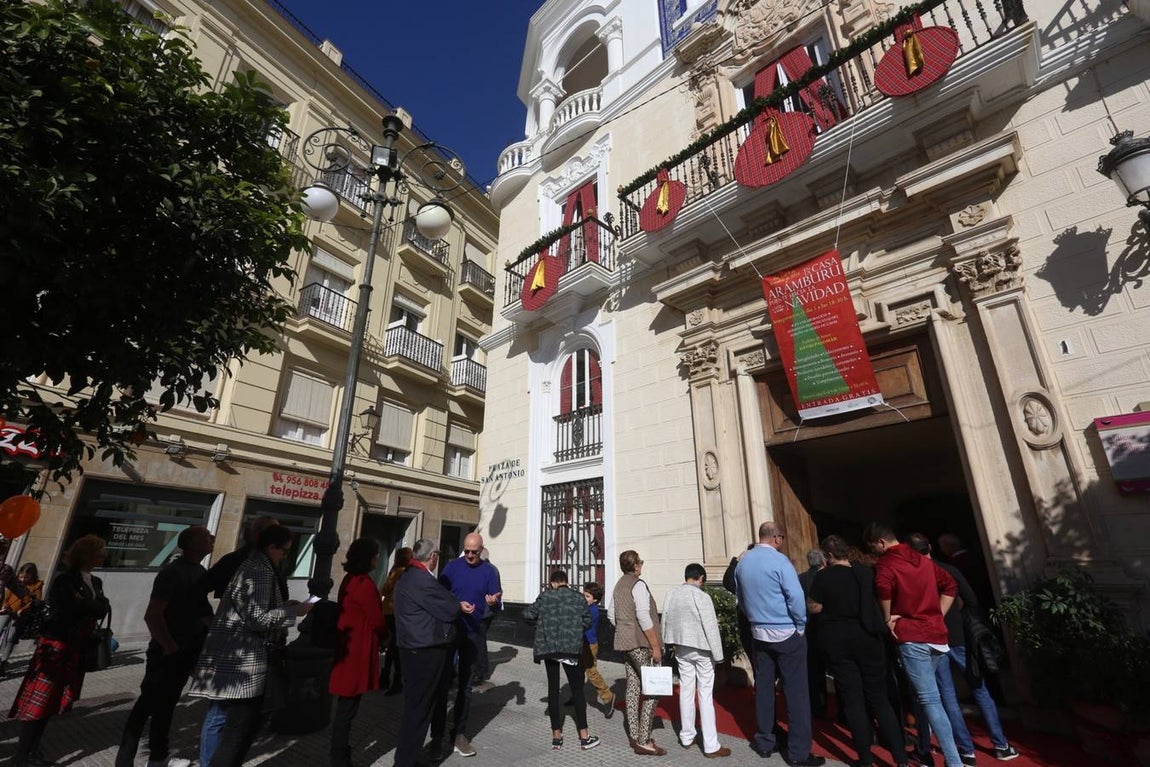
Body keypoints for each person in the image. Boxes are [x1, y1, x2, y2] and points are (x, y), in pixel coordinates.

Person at [188, 524, 311, 767]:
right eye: (284, 551)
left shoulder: (255, 565)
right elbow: (257, 618)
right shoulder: (259, 570)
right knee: (237, 732)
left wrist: (285, 606)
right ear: (271, 547)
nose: (285, 556)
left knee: (237, 726)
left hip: (240, 658)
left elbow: (256, 609)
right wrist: (295, 611)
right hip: (245, 662)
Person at [906, 534, 1018, 763]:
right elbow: (971, 599)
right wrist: (956, 614)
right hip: (957, 636)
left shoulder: (913, 576)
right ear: (930, 548)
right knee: (979, 688)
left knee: (947, 696)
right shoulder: (948, 569)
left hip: (933, 639)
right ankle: (1000, 744)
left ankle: (966, 751)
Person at [116, 526, 215, 767]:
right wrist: (169, 646)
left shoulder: (200, 572)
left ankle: (158, 757)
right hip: (167, 651)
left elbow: (202, 613)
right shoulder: (173, 573)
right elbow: (153, 614)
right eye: (206, 536)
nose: (212, 538)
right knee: (147, 703)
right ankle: (125, 759)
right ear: (191, 543)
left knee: (167, 705)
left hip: (186, 649)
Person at [865, 523, 962, 767]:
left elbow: (883, 587)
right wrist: (936, 614)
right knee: (927, 698)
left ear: (880, 542)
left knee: (930, 700)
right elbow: (950, 585)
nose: (874, 552)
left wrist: (887, 618)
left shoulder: (887, 563)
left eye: (873, 547)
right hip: (936, 636)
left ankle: (954, 761)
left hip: (914, 636)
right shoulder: (923, 560)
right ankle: (925, 749)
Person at [10, 535, 111, 767]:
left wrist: (91, 606)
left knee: (53, 700)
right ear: (88, 554)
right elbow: (71, 607)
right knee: (40, 699)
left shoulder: (95, 581)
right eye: (100, 551)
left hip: (76, 645)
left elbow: (99, 608)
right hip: (56, 645)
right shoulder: (65, 580)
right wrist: (92, 606)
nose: (104, 556)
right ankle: (21, 756)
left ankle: (33, 752)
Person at [807, 535, 907, 767]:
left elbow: (814, 606)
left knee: (853, 701)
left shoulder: (823, 577)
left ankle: (865, 758)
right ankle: (900, 758)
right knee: (880, 700)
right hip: (869, 639)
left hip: (839, 642)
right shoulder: (864, 573)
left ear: (828, 555)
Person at [735, 521, 824, 767]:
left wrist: (755, 619)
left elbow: (740, 599)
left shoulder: (743, 563)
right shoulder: (780, 562)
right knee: (796, 692)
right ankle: (798, 752)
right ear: (776, 538)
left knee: (764, 688)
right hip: (785, 631)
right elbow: (795, 597)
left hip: (758, 633)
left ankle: (765, 742)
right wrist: (800, 624)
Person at [392, 539, 466, 767]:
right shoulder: (422, 579)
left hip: (409, 647)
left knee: (415, 706)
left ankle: (406, 758)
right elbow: (451, 608)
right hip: (425, 650)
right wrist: (456, 604)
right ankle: (405, 761)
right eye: (438, 555)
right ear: (432, 556)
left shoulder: (406, 576)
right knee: (419, 709)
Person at [431, 532, 501, 758]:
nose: (470, 555)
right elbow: (439, 595)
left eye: (474, 552)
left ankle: (458, 733)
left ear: (482, 550)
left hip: (472, 634)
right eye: (467, 551)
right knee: (442, 685)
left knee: (465, 687)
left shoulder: (490, 571)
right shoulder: (452, 567)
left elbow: (496, 601)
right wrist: (456, 605)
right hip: (450, 630)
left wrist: (494, 601)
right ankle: (436, 737)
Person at [523, 570, 601, 751]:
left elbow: (527, 615)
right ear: (566, 582)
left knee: (553, 689)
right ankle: (584, 736)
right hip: (571, 649)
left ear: (552, 583)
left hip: (549, 648)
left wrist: (542, 624)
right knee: (577, 689)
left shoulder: (545, 597)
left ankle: (556, 736)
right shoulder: (578, 598)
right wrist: (573, 628)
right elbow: (587, 621)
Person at [661, 562, 730, 758]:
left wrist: (666, 645)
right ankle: (711, 745)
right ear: (700, 578)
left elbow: (664, 620)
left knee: (686, 689)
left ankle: (686, 736)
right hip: (702, 649)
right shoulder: (702, 596)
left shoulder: (672, 594)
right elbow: (710, 627)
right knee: (705, 695)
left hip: (681, 647)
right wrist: (719, 656)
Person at [329, 538, 386, 767]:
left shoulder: (350, 579)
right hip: (356, 650)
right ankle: (339, 756)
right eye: (374, 554)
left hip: (348, 646)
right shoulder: (363, 583)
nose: (377, 559)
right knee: (347, 709)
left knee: (347, 706)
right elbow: (377, 619)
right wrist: (386, 637)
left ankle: (340, 752)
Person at [609, 549, 666, 756]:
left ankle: (634, 735)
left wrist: (624, 627)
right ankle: (643, 740)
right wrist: (656, 646)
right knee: (653, 688)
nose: (641, 566)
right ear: (636, 566)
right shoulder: (638, 585)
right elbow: (643, 615)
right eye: (640, 563)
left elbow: (610, 614)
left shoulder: (618, 584)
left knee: (633, 686)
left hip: (624, 641)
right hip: (641, 643)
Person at [202, 515, 287, 600]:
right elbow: (204, 586)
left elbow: (283, 594)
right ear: (255, 533)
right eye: (272, 533)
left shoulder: (278, 561)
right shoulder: (234, 560)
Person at [799, 549, 828, 720]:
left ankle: (817, 707)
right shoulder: (828, 576)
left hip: (808, 628)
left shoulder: (801, 578)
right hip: (826, 627)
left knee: (813, 669)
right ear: (823, 561)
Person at [379, 546, 412, 695]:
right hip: (402, 613)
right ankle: (395, 677)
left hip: (391, 612)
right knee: (396, 646)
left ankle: (387, 677)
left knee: (392, 646)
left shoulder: (397, 572)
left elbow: (385, 590)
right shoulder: (410, 573)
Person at [580, 581, 614, 716]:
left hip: (589, 645)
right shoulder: (586, 608)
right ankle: (577, 695)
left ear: (595, 600)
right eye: (584, 595)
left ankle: (608, 696)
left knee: (592, 672)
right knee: (577, 671)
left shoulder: (592, 611)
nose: (584, 598)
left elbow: (583, 624)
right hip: (582, 643)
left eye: (587, 596)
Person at [1, 563, 43, 670]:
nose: (23, 579)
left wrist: (23, 610)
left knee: (11, 637)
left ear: (32, 576)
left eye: (26, 577)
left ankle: (3, 661)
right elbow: (8, 594)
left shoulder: (37, 585)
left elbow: (35, 602)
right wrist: (5, 605)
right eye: (21, 576)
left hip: (20, 614)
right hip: (8, 609)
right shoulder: (15, 581)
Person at [472, 547, 501, 691]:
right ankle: (478, 670)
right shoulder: (493, 569)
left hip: (483, 612)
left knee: (479, 642)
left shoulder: (488, 570)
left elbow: (494, 592)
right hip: (485, 612)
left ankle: (481, 672)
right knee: (479, 641)